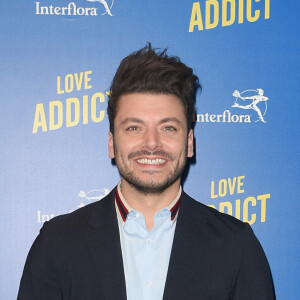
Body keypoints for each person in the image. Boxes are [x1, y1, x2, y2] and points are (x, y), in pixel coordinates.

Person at [18, 44, 275, 299]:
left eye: (168, 128)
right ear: (111, 143)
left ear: (189, 143)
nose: (151, 143)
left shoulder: (236, 245)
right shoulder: (58, 243)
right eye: (134, 128)